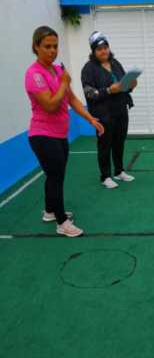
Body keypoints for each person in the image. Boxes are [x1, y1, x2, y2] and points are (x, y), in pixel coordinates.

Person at [26, 26, 104, 237]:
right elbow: (51, 105)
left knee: (56, 176)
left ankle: (50, 211)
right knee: (55, 177)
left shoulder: (58, 70)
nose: (52, 50)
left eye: (55, 46)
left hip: (59, 134)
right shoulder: (34, 74)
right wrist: (63, 83)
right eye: (47, 46)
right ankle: (62, 222)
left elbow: (72, 99)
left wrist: (90, 119)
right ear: (36, 47)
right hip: (42, 135)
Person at [81, 31, 137, 189]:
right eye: (99, 49)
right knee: (105, 145)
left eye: (105, 47)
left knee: (119, 142)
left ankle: (119, 171)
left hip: (120, 109)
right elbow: (89, 93)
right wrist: (108, 91)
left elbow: (123, 84)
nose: (104, 51)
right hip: (103, 113)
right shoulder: (88, 69)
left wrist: (131, 85)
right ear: (93, 51)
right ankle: (105, 176)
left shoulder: (115, 63)